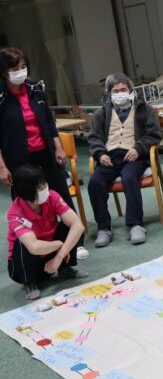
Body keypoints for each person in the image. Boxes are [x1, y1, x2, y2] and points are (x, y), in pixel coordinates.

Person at [0, 47, 89, 261]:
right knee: (28, 204)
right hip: (19, 160)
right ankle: (38, 248)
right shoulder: (1, 97)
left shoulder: (36, 88)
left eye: (24, 67)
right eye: (15, 69)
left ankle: (75, 245)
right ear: (4, 72)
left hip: (45, 153)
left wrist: (58, 147)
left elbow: (49, 121)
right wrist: (2, 167)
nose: (21, 72)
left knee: (61, 196)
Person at [87, 73, 161, 247]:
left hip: (134, 155)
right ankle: (104, 228)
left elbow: (153, 134)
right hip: (109, 157)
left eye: (123, 89)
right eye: (116, 91)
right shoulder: (101, 113)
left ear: (130, 90)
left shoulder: (144, 110)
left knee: (129, 178)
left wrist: (138, 148)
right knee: (95, 182)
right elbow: (94, 137)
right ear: (109, 93)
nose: (120, 93)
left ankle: (136, 225)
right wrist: (100, 154)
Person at [6, 165, 87, 300]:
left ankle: (65, 269)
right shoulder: (15, 213)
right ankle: (29, 282)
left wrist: (59, 257)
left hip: (52, 259)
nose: (45, 189)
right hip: (26, 265)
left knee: (69, 226)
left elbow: (78, 225)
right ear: (27, 192)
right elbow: (34, 247)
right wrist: (59, 244)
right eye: (40, 187)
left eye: (44, 184)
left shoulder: (52, 196)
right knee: (22, 242)